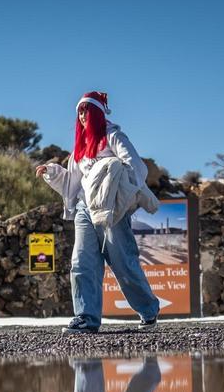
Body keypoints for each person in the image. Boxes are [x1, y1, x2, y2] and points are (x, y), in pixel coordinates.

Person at [36, 92, 161, 334]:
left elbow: (136, 167)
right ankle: (86, 317)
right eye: (79, 111)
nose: (82, 116)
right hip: (85, 208)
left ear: (97, 113)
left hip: (111, 209)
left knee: (123, 262)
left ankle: (148, 309)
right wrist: (51, 171)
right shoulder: (80, 148)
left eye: (86, 111)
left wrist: (118, 192)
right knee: (82, 261)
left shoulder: (113, 136)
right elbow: (73, 182)